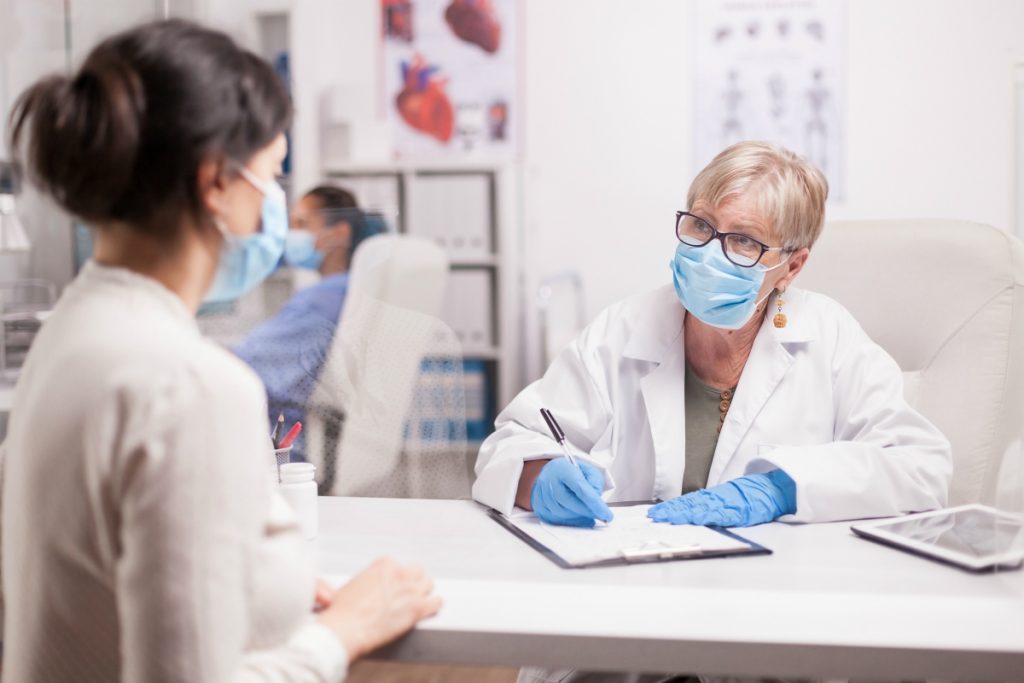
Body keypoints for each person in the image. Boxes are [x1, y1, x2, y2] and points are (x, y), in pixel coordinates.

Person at [1, 20, 439, 682]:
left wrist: (266, 580)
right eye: (271, 174)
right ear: (215, 182)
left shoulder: (71, 329)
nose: (276, 202)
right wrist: (343, 630)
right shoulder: (193, 387)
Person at [475, 140, 951, 532]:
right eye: (701, 225)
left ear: (792, 266)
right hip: (637, 592)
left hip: (777, 602)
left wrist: (782, 488)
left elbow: (921, 468)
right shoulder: (621, 330)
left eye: (744, 240)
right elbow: (511, 442)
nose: (710, 253)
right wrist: (539, 478)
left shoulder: (831, 340)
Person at [234, 186, 383, 465]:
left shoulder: (324, 298)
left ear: (339, 234)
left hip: (277, 448)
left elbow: (242, 368)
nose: (291, 234)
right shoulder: (349, 291)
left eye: (302, 224)